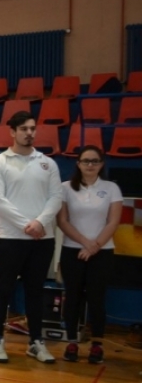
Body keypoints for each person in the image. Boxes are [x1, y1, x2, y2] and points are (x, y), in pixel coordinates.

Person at [0, 111, 62, 364]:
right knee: (3, 289)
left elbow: (56, 197)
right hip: (9, 238)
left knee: (35, 291)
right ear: (12, 132)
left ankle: (36, 342)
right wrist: (27, 225)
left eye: (32, 128)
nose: (29, 133)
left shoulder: (48, 163)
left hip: (42, 239)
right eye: (24, 129)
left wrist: (39, 223)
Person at [56, 145, 122, 364]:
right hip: (72, 251)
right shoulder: (65, 187)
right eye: (86, 161)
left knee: (96, 298)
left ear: (101, 164)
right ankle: (71, 342)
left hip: (102, 252)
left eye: (95, 161)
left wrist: (95, 246)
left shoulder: (111, 188)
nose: (90, 165)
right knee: (72, 297)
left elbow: (113, 222)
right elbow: (62, 221)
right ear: (78, 164)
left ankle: (97, 345)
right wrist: (85, 243)